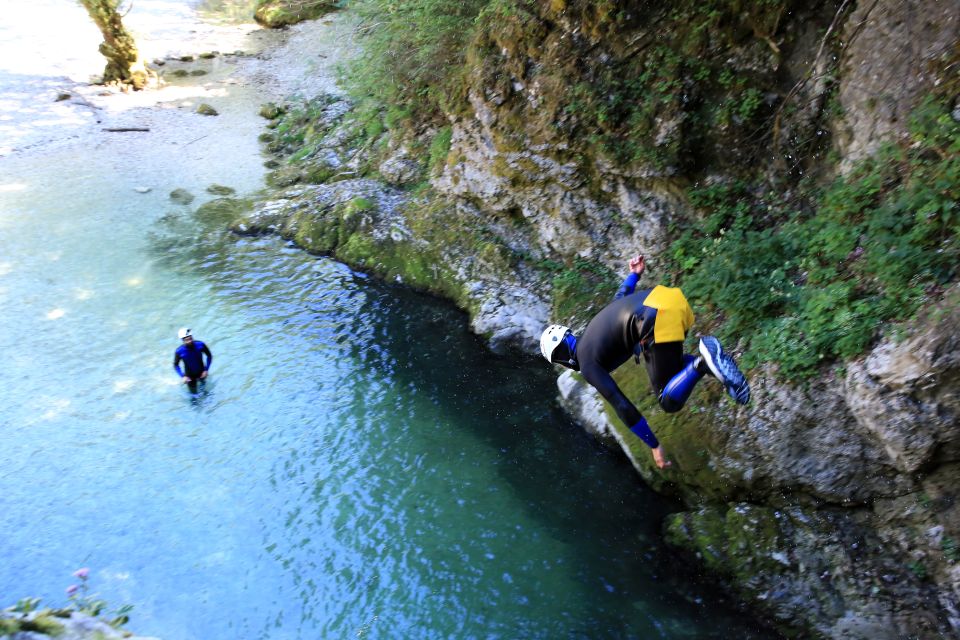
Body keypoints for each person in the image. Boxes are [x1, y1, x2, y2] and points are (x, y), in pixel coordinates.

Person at [539, 255, 750, 470]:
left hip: (652, 319)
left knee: (668, 400)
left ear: (561, 357)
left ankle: (704, 363)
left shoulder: (587, 364)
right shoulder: (594, 333)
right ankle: (719, 370)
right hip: (670, 300)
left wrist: (654, 445)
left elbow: (621, 405)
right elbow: (621, 296)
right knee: (675, 373)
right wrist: (634, 274)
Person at [173, 327, 212, 392]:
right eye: (187, 340)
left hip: (202, 372)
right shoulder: (179, 351)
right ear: (183, 340)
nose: (190, 341)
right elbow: (175, 365)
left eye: (191, 338)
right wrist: (183, 376)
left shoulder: (200, 345)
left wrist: (206, 370)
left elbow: (209, 356)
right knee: (194, 397)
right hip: (189, 377)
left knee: (205, 391)